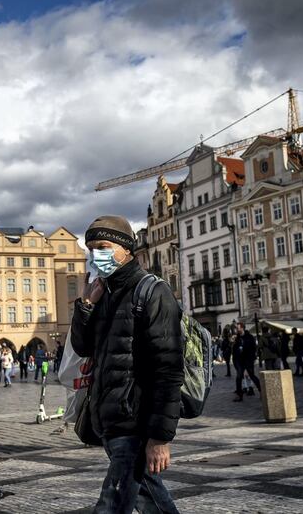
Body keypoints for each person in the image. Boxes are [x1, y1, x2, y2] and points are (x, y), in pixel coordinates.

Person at [70, 215, 184, 513]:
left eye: (104, 246)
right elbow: (82, 347)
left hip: (135, 422)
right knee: (152, 500)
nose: (97, 255)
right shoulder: (103, 294)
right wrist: (86, 306)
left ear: (125, 248)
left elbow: (169, 370)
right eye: (91, 248)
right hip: (109, 421)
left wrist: (160, 437)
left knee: (111, 503)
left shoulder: (152, 292)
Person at [233, 322, 261, 402]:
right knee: (238, 378)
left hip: (248, 361)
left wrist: (251, 360)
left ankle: (261, 390)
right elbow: (235, 350)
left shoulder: (249, 337)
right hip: (240, 362)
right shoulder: (237, 338)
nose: (237, 329)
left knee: (252, 376)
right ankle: (239, 395)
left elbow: (252, 350)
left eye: (238, 328)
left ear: (242, 328)